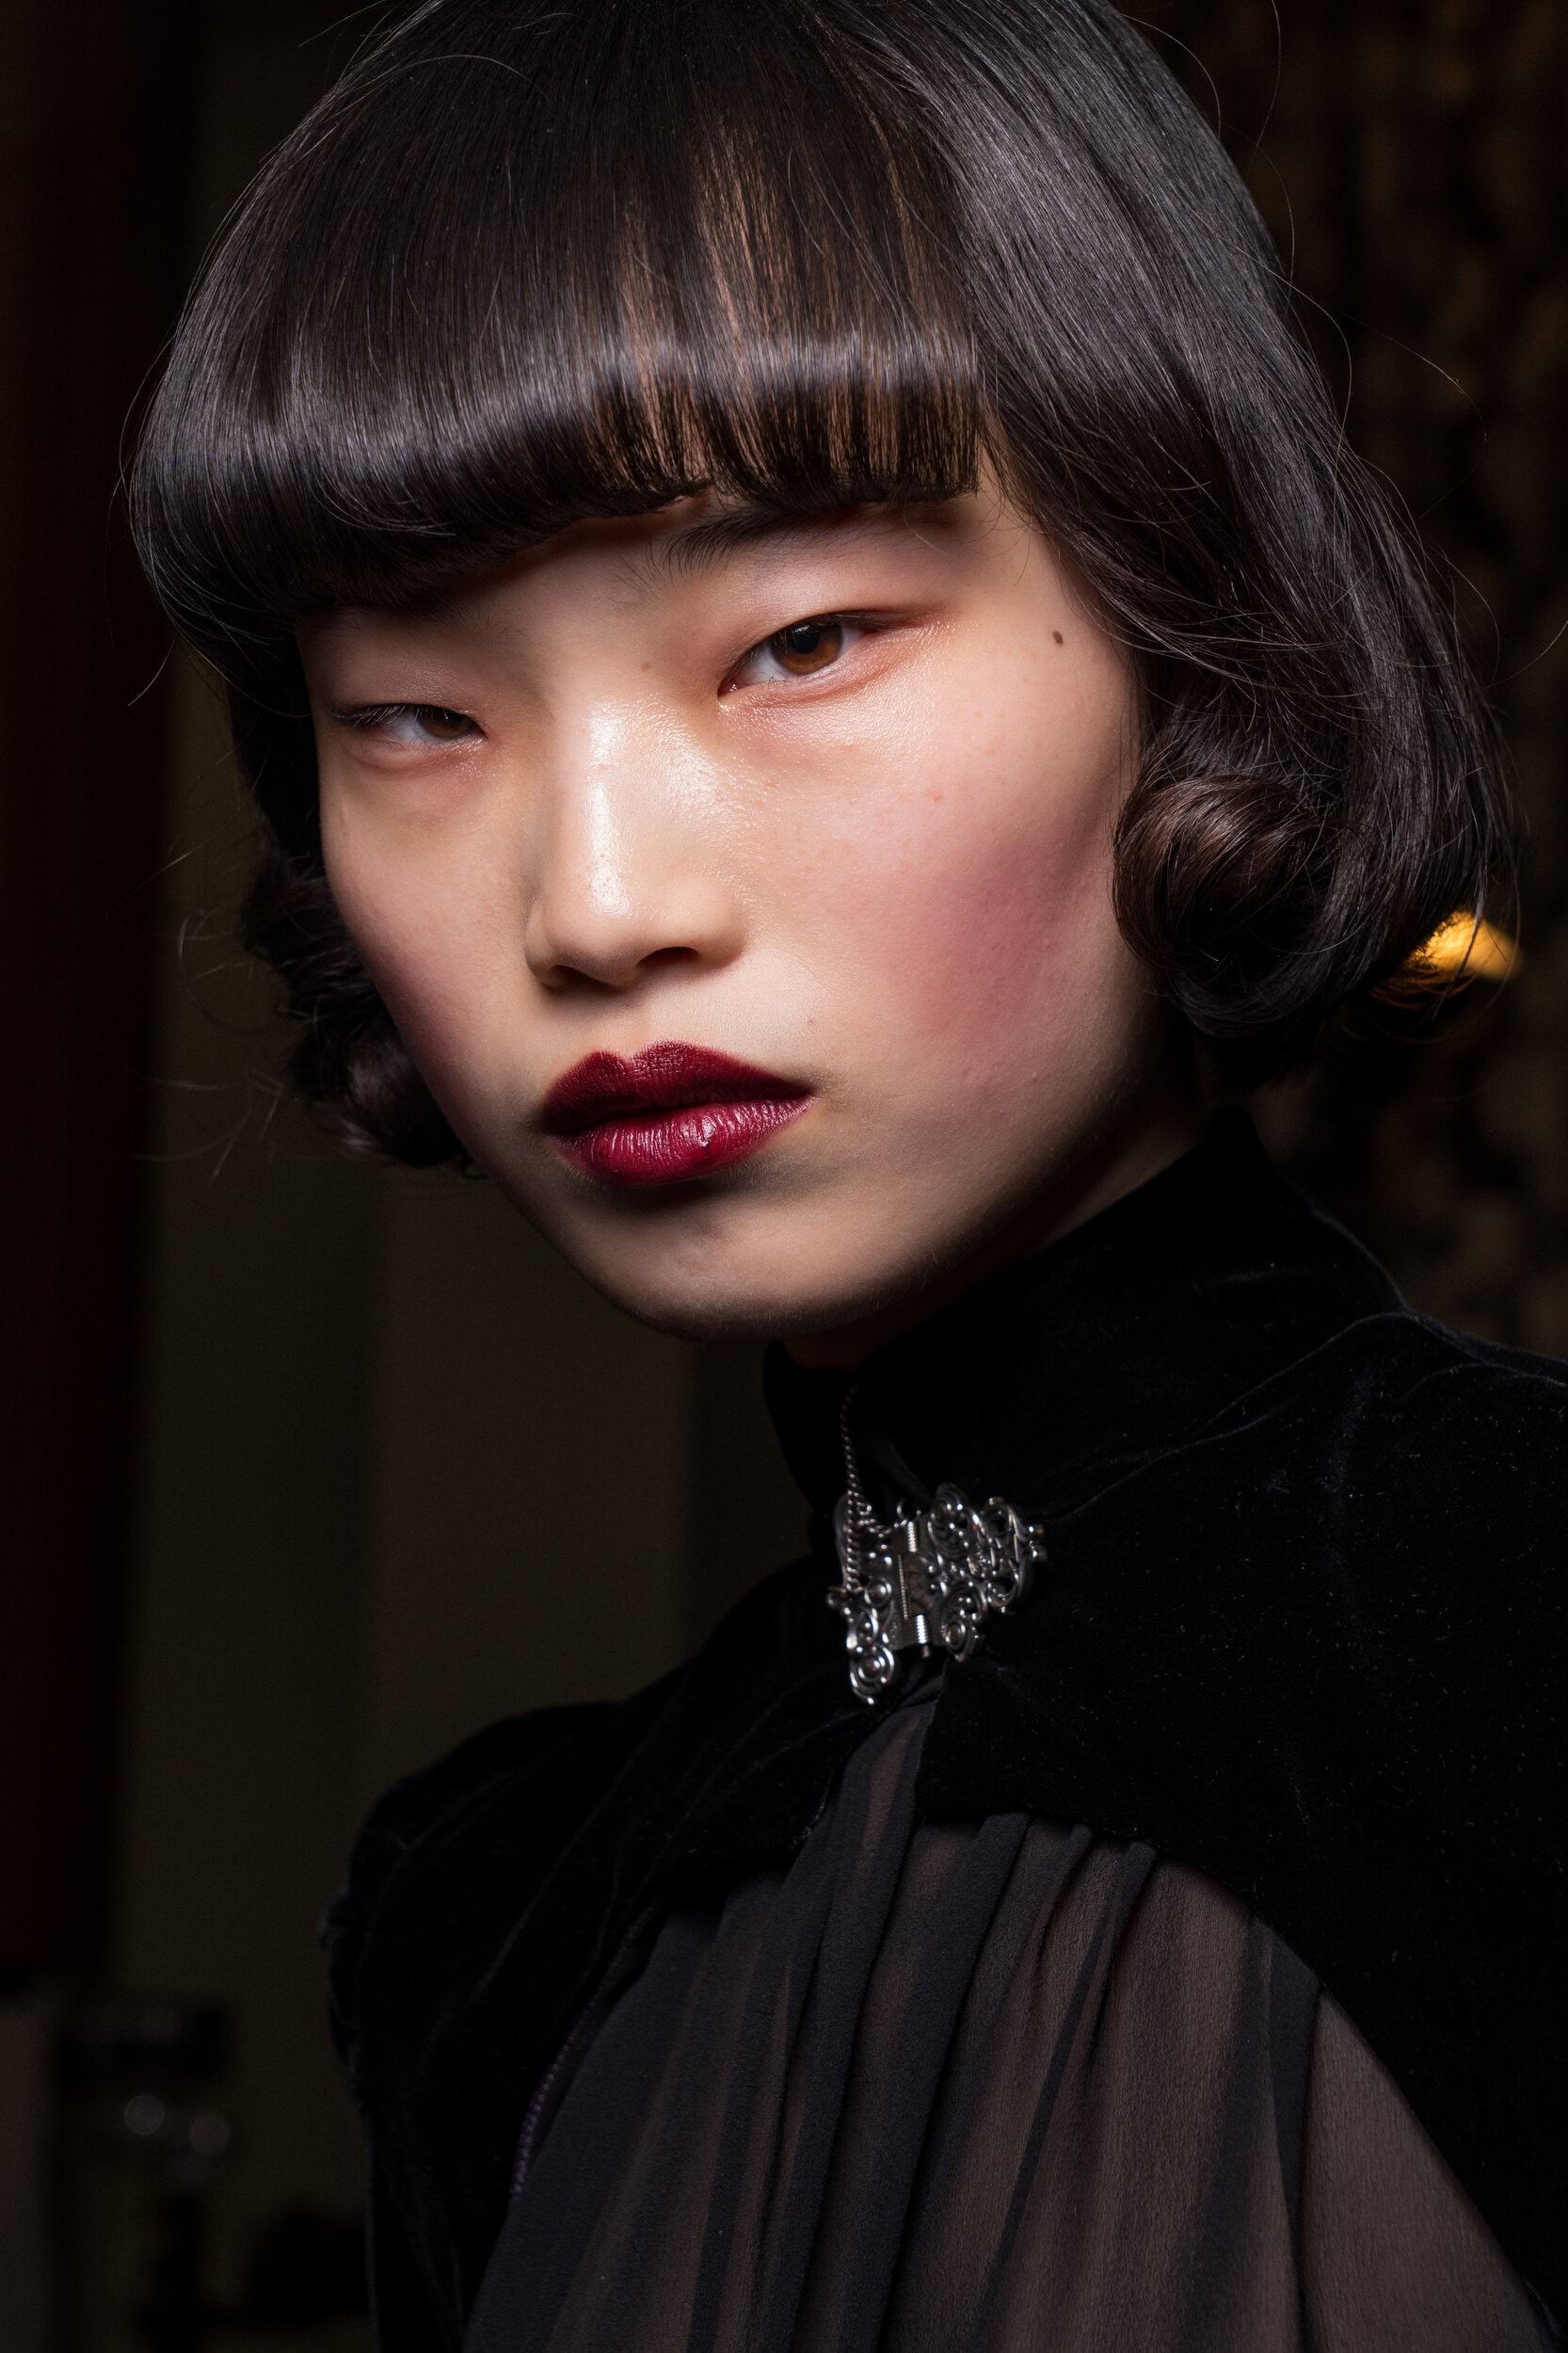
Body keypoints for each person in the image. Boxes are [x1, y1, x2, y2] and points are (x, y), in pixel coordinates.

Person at [132, 0, 1566, 2345]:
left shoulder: (1508, 1632)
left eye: (797, 639)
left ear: (1189, 638)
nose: (597, 903)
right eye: (413, 713)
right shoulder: (491, 1923)